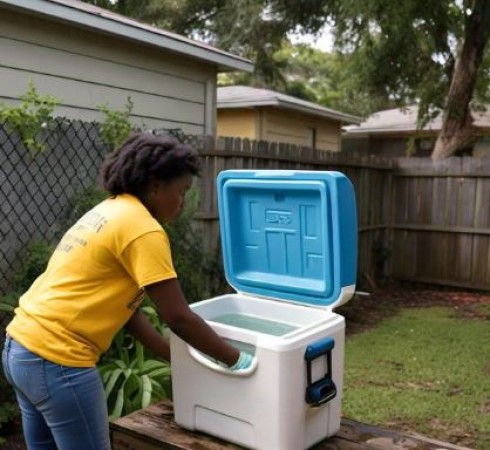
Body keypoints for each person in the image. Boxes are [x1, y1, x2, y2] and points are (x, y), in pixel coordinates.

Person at [2, 132, 253, 450]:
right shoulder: (143, 228)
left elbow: (128, 311)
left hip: (20, 349)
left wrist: (172, 355)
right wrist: (237, 360)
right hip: (59, 360)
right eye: (182, 191)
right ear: (155, 184)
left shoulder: (110, 211)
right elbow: (178, 317)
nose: (182, 202)